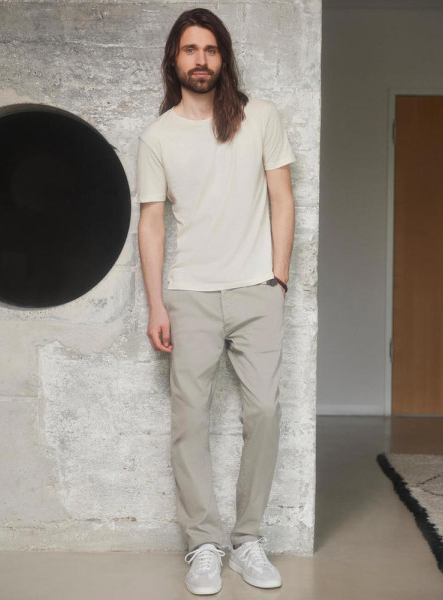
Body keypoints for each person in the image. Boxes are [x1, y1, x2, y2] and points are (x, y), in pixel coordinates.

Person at [137, 7, 296, 596]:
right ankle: (203, 543)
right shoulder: (158, 137)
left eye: (210, 49)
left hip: (257, 291)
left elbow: (283, 199)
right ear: (174, 59)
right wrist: (157, 305)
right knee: (190, 420)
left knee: (264, 412)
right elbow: (151, 224)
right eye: (190, 49)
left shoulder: (261, 118)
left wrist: (278, 279)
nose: (200, 59)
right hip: (190, 296)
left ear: (223, 57)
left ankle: (247, 539)